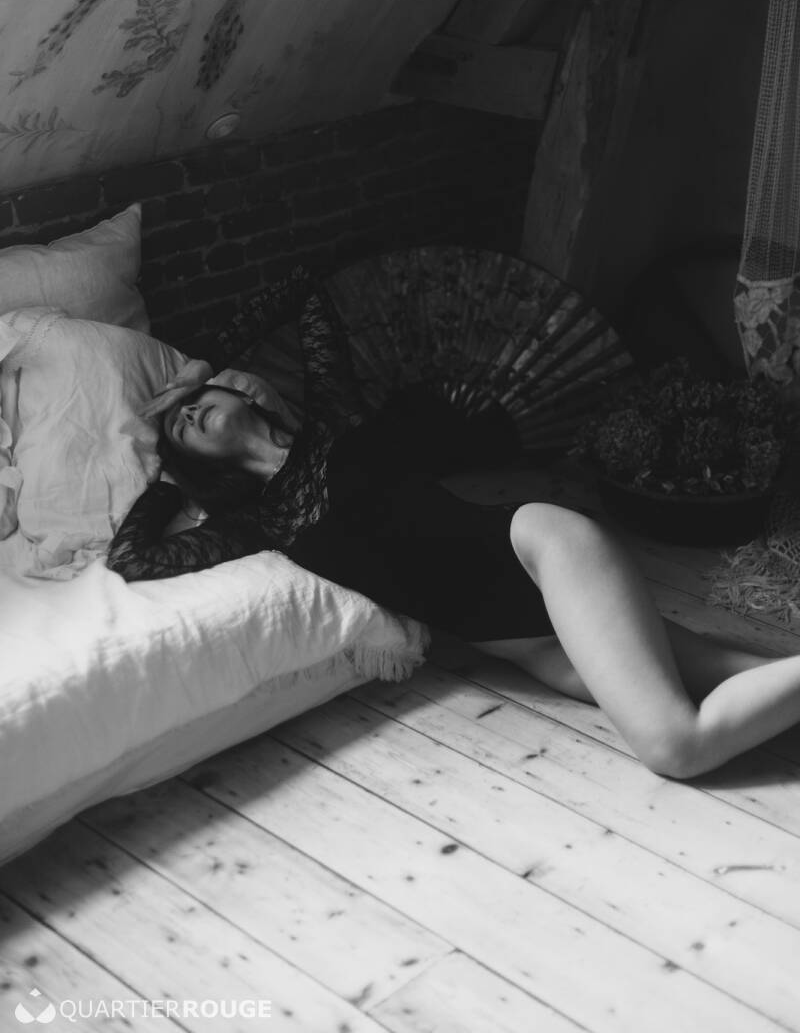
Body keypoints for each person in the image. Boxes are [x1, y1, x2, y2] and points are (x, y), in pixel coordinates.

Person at [108, 267, 800, 781]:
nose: (188, 414)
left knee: (675, 746)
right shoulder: (257, 522)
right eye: (180, 428)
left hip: (540, 550)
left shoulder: (334, 420)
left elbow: (303, 291)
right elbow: (132, 560)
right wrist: (166, 479)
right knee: (747, 680)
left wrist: (199, 362)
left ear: (235, 390)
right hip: (527, 645)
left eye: (197, 401)